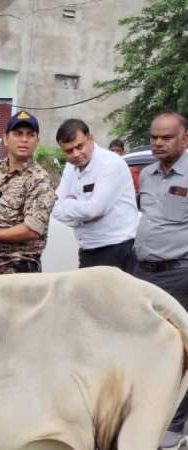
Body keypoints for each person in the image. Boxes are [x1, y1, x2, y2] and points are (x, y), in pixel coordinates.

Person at [131, 112, 188, 450]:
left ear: (184, 139)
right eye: (154, 137)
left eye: (166, 137)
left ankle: (173, 427)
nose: (157, 143)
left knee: (179, 352)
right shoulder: (148, 174)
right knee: (146, 348)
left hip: (180, 274)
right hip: (144, 273)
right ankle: (147, 417)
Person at [0, 111, 56, 274]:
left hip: (17, 269)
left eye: (30, 135)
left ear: (37, 141)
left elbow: (32, 229)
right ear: (5, 139)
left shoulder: (40, 180)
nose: (24, 140)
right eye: (18, 134)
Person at [51, 119, 137, 270]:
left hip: (116, 249)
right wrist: (82, 217)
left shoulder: (110, 163)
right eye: (69, 151)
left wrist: (70, 205)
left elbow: (94, 210)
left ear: (91, 138)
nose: (76, 154)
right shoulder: (71, 167)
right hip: (87, 250)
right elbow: (53, 205)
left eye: (79, 146)